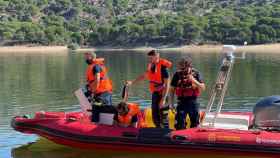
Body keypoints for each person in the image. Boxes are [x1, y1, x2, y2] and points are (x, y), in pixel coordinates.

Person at [127, 50, 172, 128]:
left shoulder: (163, 68)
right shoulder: (151, 65)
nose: (150, 59)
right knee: (155, 116)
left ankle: (166, 133)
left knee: (163, 117)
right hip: (155, 93)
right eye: (149, 58)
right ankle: (158, 131)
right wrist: (132, 82)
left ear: (157, 56)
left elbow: (167, 84)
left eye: (152, 57)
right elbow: (144, 76)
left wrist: (163, 99)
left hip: (163, 94)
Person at [169, 57, 205, 130]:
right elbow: (172, 90)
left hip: (193, 102)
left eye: (183, 68)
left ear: (189, 66)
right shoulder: (177, 74)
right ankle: (179, 138)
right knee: (180, 123)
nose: (181, 70)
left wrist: (193, 80)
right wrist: (171, 104)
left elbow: (203, 88)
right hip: (181, 102)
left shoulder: (196, 74)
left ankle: (194, 138)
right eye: (180, 68)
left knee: (195, 123)